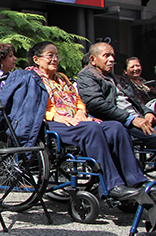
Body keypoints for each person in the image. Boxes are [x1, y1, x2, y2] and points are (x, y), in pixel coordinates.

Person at [27, 41, 147, 200]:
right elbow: (30, 106)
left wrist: (80, 111)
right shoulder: (31, 78)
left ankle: (135, 181)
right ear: (36, 59)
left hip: (75, 120)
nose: (55, 59)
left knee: (116, 128)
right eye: (50, 56)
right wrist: (54, 116)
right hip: (52, 123)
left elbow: (77, 99)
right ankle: (112, 185)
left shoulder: (62, 78)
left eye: (56, 56)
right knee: (92, 129)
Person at [77, 43, 156, 150]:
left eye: (112, 55)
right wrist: (131, 119)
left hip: (139, 119)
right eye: (106, 55)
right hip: (121, 122)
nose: (112, 59)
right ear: (93, 59)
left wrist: (148, 112)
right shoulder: (86, 76)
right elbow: (95, 103)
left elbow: (135, 101)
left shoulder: (116, 78)